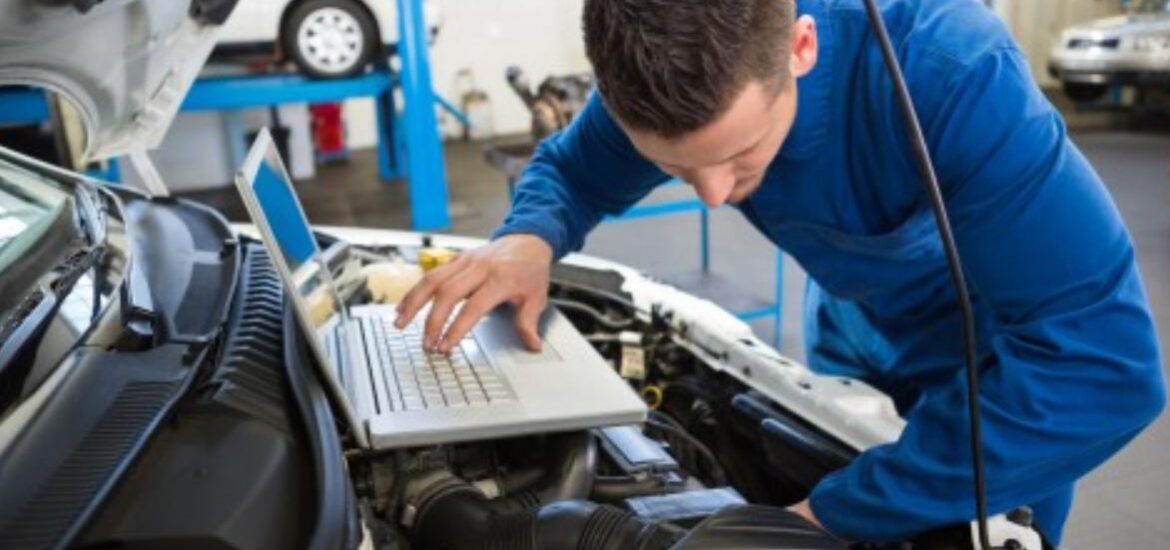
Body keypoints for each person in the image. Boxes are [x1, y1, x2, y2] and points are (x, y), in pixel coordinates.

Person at [394, 0, 1166, 544]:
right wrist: (528, 238)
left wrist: (828, 519)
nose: (713, 194)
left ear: (801, 47)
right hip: (849, 339)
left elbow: (1103, 368)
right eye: (674, 167)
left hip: (996, 387)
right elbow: (572, 170)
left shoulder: (954, 73)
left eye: (738, 156)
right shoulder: (668, 66)